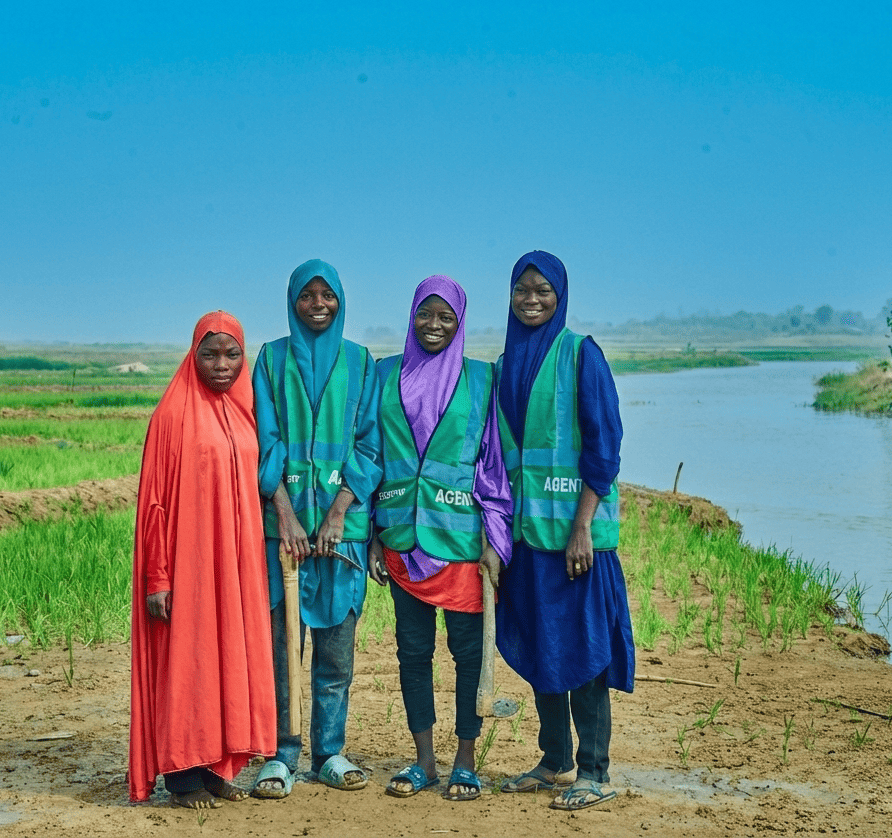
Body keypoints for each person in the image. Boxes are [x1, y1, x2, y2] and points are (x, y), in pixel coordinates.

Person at [493, 251, 635, 811]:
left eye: (542, 291)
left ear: (561, 297)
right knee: (541, 643)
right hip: (528, 539)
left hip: (576, 542)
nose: (531, 300)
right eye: (521, 290)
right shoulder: (505, 365)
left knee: (585, 650)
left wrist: (582, 528)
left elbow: (605, 446)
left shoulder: (582, 355)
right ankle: (554, 760)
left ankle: (595, 770)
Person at [367, 276, 513, 802]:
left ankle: (466, 761)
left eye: (445, 317)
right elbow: (369, 459)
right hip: (402, 540)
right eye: (424, 315)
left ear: (460, 322)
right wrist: (369, 539)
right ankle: (424, 760)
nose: (434, 325)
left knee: (469, 654)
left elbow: (494, 465)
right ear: (411, 317)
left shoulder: (482, 379)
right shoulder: (384, 374)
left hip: (461, 545)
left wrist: (497, 538)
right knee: (412, 652)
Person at [128, 311, 276, 809]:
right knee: (190, 662)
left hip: (234, 565)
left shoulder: (243, 410)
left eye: (232, 354)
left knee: (228, 657)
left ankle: (214, 766)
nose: (221, 365)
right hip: (189, 566)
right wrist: (158, 576)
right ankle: (183, 778)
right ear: (192, 356)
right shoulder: (172, 416)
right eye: (209, 354)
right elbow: (154, 503)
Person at [250, 260, 382, 798]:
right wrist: (283, 510)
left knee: (336, 651)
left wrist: (336, 513)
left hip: (340, 535)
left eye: (328, 295)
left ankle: (329, 751)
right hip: (282, 533)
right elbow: (265, 439)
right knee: (284, 647)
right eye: (308, 295)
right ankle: (281, 753)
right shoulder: (270, 359)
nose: (319, 304)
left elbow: (370, 446)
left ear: (342, 300)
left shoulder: (360, 363)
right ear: (292, 301)